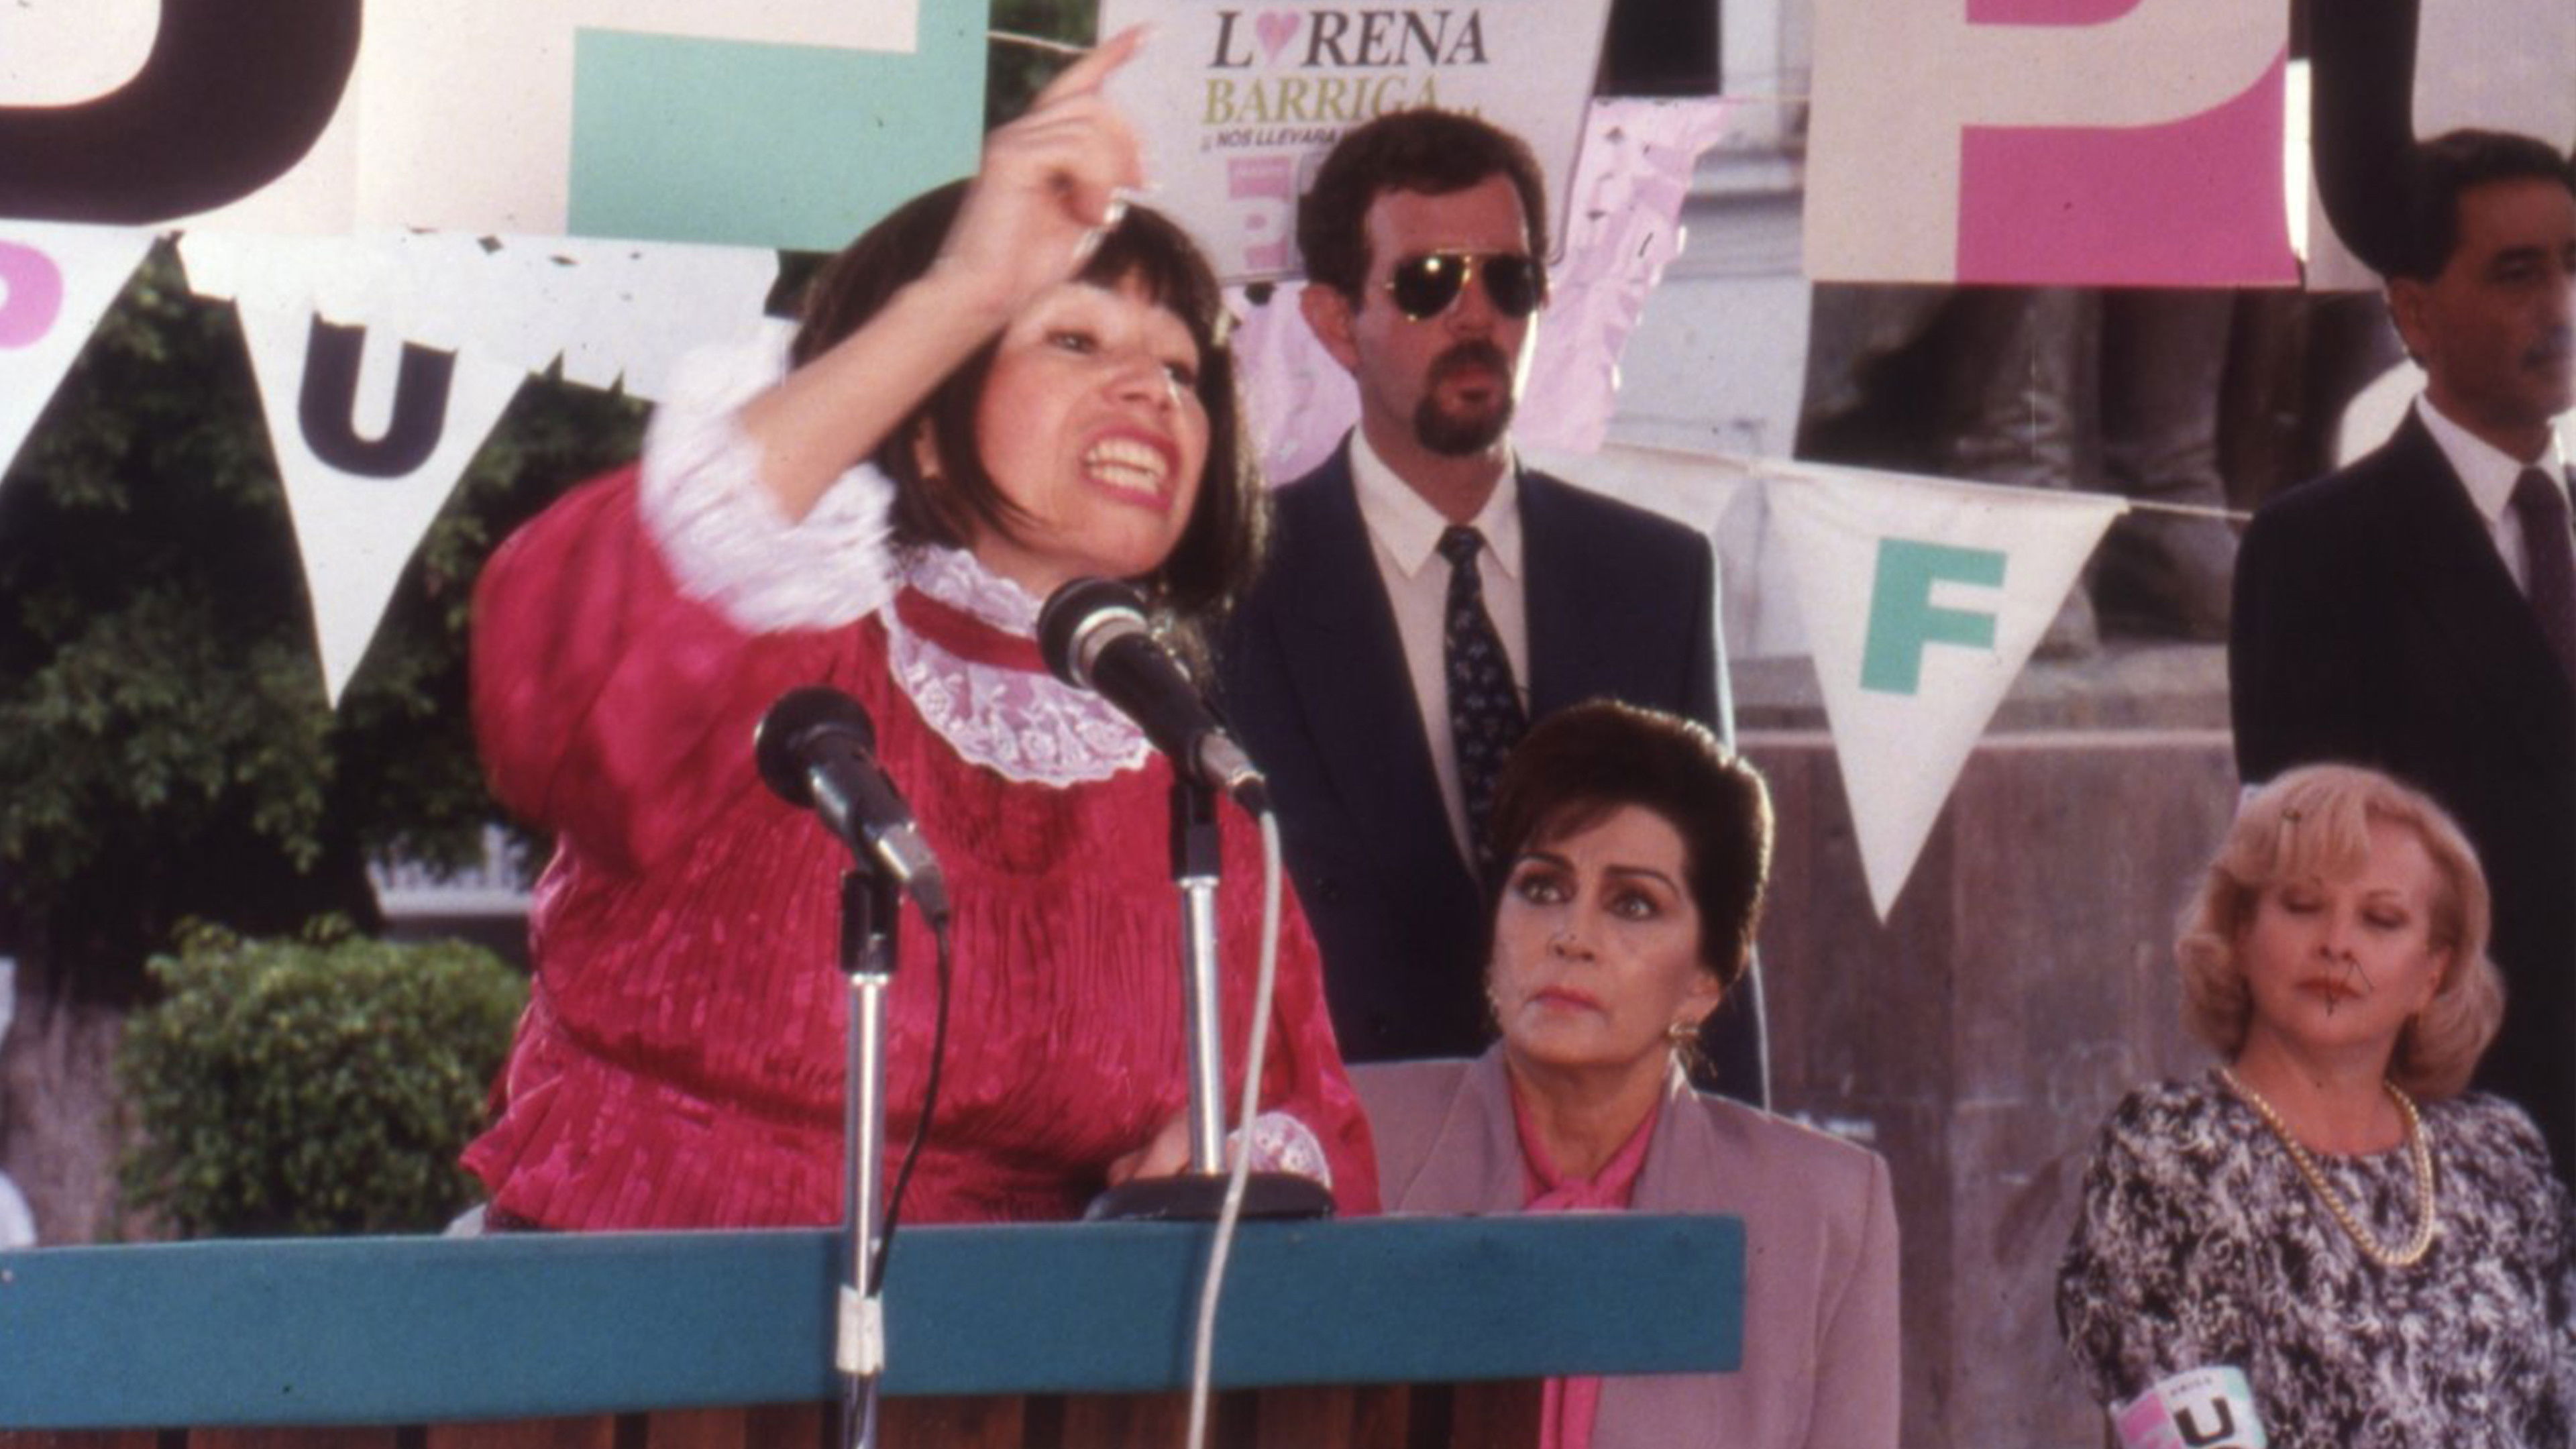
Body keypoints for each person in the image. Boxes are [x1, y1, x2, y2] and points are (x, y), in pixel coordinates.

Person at [462, 33, 1377, 1230]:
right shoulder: (789, 646)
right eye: (1076, 340)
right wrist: (966, 292)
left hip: (1011, 1348)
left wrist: (1243, 1151)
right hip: (638, 1314)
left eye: (1184, 369)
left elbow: (1307, 1104)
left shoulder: (1195, 778)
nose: (1153, 391)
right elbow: (556, 675)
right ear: (929, 429)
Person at [1217, 109, 1765, 1104]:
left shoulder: (1659, 579)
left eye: (1507, 281)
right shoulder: (1232, 594)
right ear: (1335, 322)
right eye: (1429, 283)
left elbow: (1718, 935)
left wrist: (1732, 1181)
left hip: (1615, 1162)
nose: (1475, 319)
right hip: (1348, 1157)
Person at [1352, 701, 1899, 1449]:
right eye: (1542, 888)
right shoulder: (1353, 1135)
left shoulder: (1829, 1209)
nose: (1572, 935)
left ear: (1706, 979)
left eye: (1633, 904)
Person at [2229, 128, 2576, 1182]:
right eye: (2518, 274)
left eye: (2575, 265)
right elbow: (2302, 894)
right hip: (2448, 1150)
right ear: (2415, 312)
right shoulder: (2318, 549)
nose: (2562, 306)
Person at [2057, 765, 2576, 1446]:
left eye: (2381, 919)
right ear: (2242, 934)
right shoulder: (2172, 1153)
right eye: (2303, 906)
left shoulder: (2499, 1153)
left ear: (2433, 973)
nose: (2337, 943)